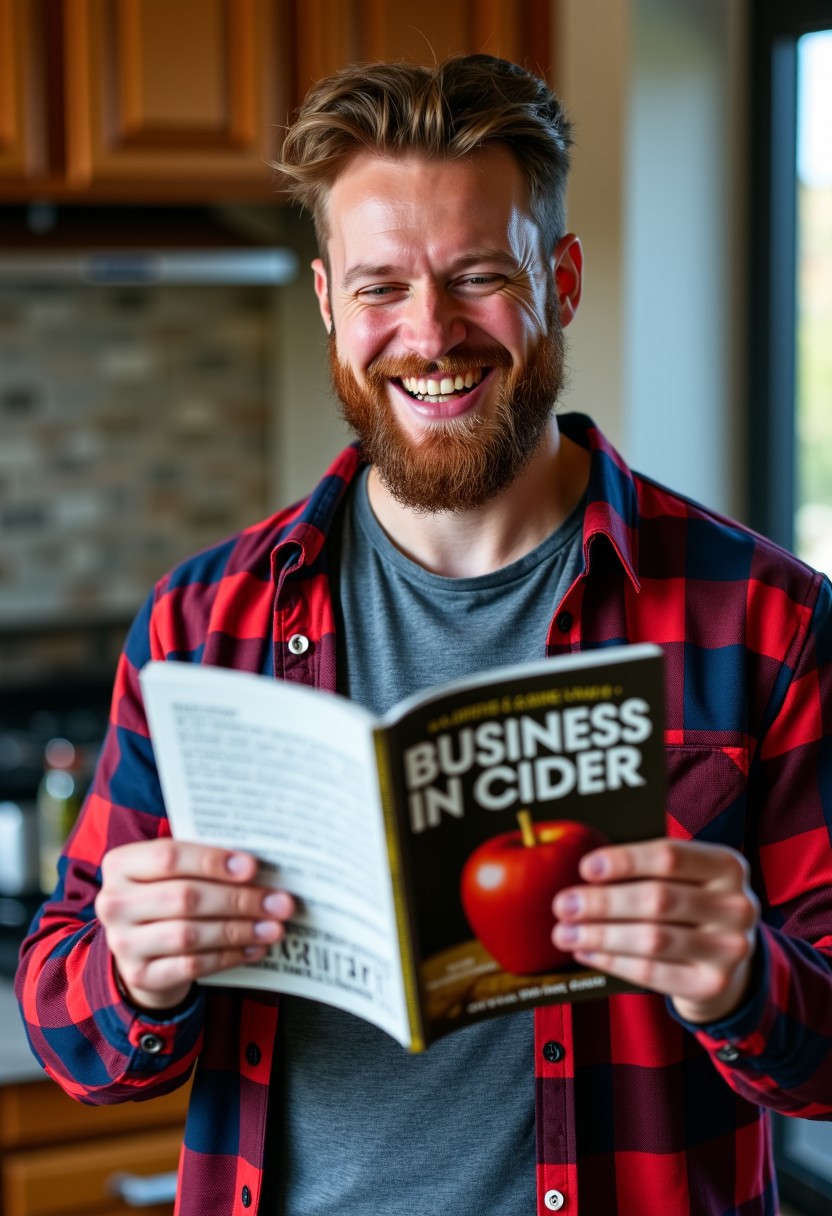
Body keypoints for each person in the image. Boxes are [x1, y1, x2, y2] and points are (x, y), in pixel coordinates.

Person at [15, 55, 832, 1216]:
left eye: (478, 276)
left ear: (562, 278)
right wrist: (132, 974)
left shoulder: (765, 618)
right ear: (325, 302)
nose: (429, 333)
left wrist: (746, 981)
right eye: (380, 286)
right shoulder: (198, 627)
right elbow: (68, 1026)